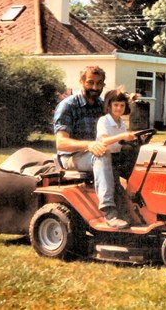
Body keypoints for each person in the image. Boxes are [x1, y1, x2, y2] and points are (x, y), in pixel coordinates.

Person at [53, 66, 130, 229]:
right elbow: (61, 143)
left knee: (135, 154)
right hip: (71, 157)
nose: (95, 88)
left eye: (99, 83)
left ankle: (138, 203)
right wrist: (89, 145)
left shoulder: (102, 105)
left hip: (100, 151)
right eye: (90, 83)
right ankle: (109, 211)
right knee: (101, 155)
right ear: (81, 82)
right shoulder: (68, 106)